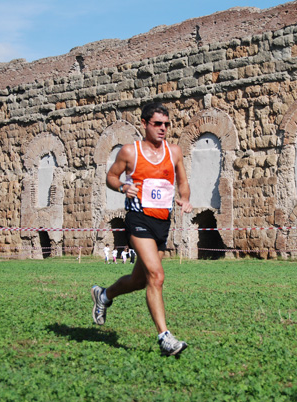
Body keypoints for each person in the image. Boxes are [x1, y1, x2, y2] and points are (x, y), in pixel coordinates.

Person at [91, 102, 192, 357]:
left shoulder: (175, 152)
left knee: (140, 280)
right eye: (157, 124)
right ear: (145, 123)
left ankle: (104, 295)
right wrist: (123, 187)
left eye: (166, 124)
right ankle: (165, 337)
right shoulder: (130, 152)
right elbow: (111, 177)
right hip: (138, 219)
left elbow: (183, 182)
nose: (163, 129)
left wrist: (185, 199)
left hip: (162, 222)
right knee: (157, 276)